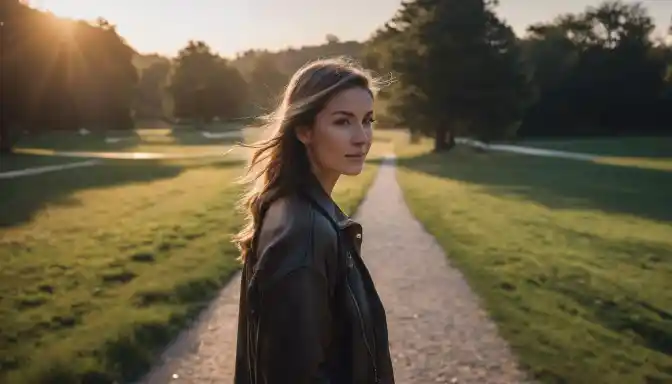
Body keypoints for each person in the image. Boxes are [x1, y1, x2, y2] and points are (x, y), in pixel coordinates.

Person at [233, 57, 395, 384]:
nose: (362, 137)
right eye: (342, 122)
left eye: (367, 120)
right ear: (304, 129)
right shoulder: (302, 233)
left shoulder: (299, 209)